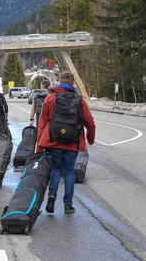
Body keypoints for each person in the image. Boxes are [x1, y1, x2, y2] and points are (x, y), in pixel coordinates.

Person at [36, 71, 96, 214]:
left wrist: (39, 145)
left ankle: (51, 195)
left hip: (53, 141)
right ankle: (68, 205)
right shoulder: (79, 100)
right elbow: (90, 123)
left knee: (56, 169)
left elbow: (42, 123)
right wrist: (90, 139)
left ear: (59, 82)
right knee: (69, 172)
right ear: (73, 84)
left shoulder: (50, 98)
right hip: (72, 142)